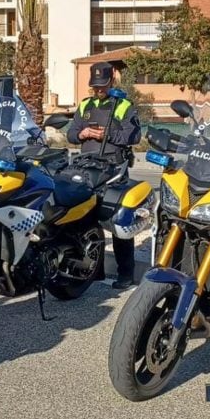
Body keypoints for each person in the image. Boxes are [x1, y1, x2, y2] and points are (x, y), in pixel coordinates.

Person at [67, 61, 142, 289]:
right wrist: (82, 133)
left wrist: (106, 135)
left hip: (113, 170)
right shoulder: (85, 105)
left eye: (103, 85)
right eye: (96, 86)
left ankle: (125, 274)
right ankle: (94, 272)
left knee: (118, 222)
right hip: (86, 169)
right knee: (87, 220)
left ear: (112, 81)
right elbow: (70, 134)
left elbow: (133, 137)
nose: (99, 90)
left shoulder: (123, 105)